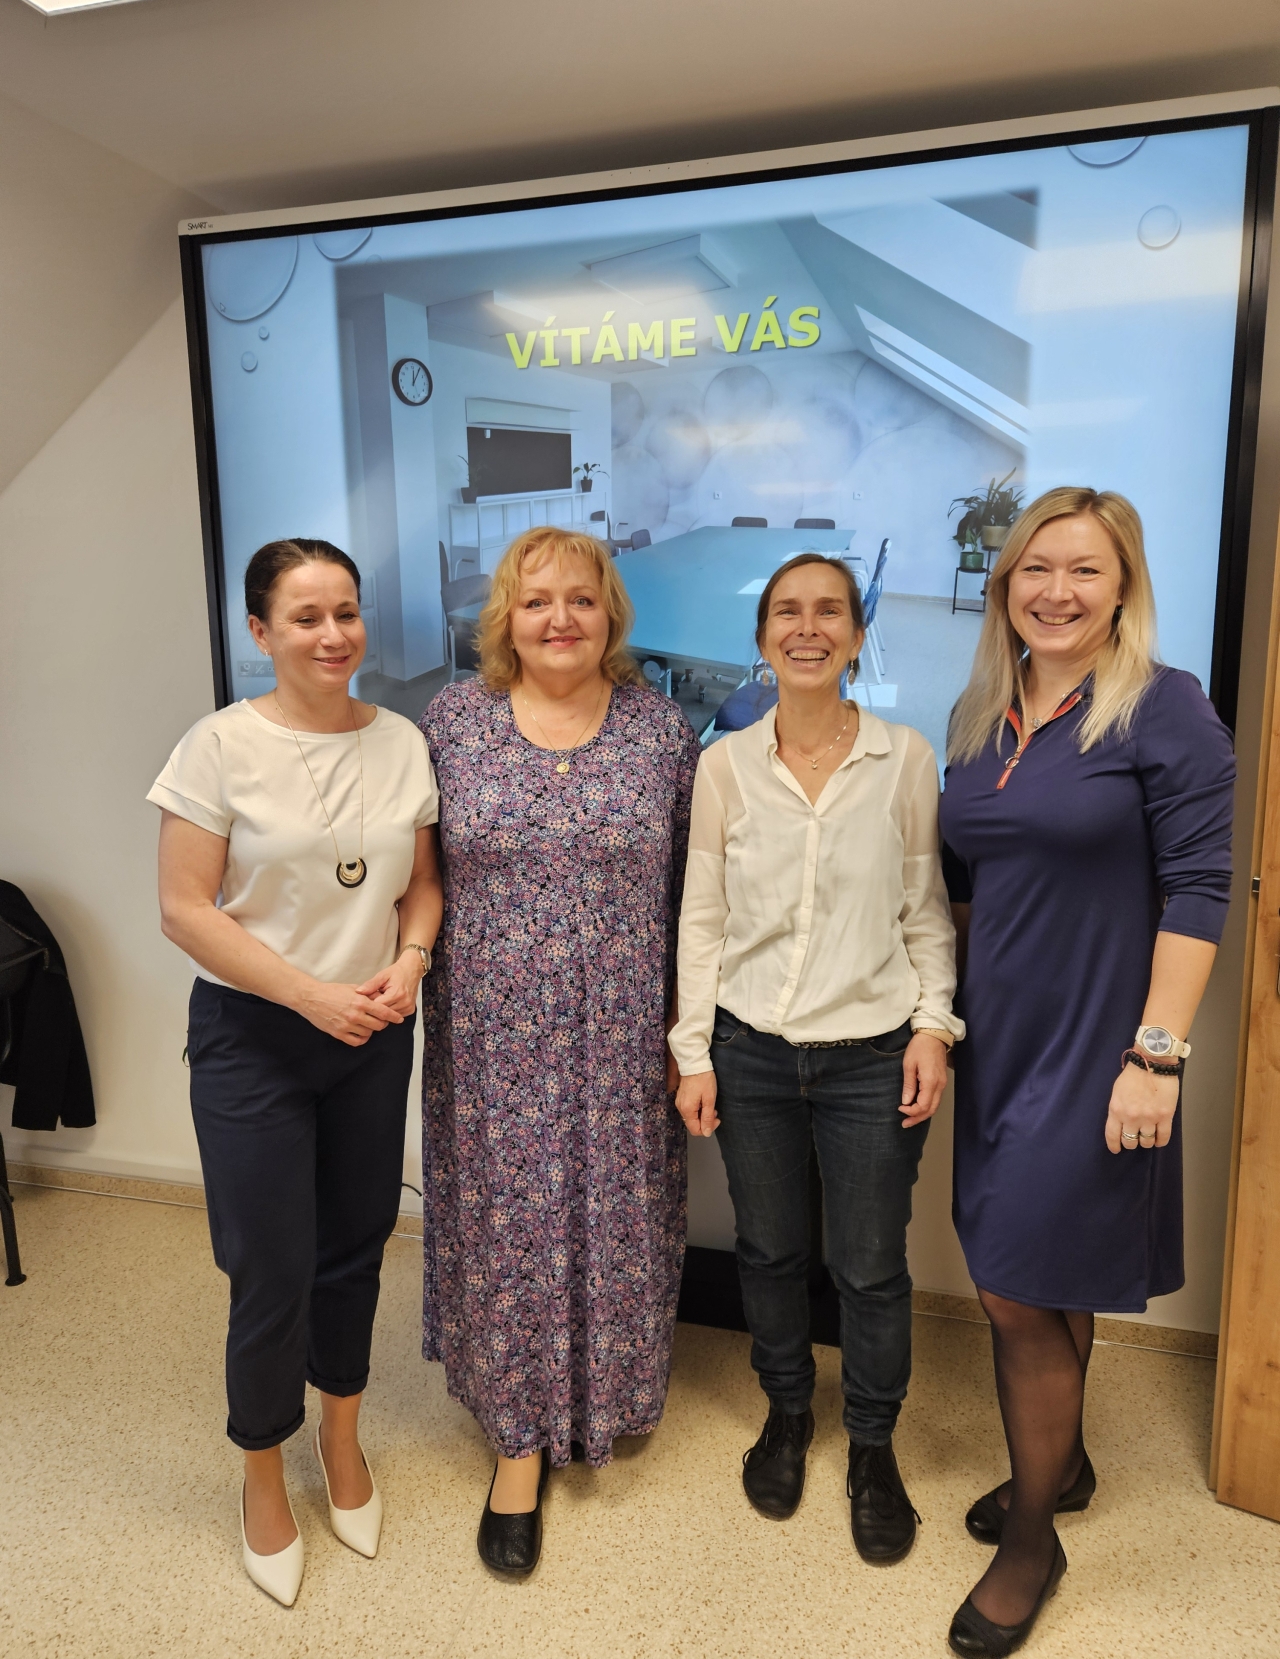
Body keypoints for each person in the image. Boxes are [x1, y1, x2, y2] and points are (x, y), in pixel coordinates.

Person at [939, 488, 1235, 1656]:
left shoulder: (1163, 707)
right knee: (1040, 1272)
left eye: (1083, 571)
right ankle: (1058, 1468)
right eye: (1033, 569)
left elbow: (1199, 889)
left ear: (1122, 589)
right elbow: (970, 887)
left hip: (1100, 1044)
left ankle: (1031, 1543)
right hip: (997, 1040)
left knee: (1014, 1291)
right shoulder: (981, 713)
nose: (1054, 592)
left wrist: (1153, 1059)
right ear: (1003, 583)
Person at [149, 538, 442, 1607]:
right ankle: (263, 1474)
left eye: (346, 612)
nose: (332, 634)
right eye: (306, 616)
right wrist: (310, 995)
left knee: (355, 1245)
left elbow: (420, 885)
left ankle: (341, 1437)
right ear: (260, 630)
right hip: (255, 1038)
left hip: (371, 1032)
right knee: (269, 1264)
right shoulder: (218, 746)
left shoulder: (402, 741)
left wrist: (411, 959)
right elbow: (184, 909)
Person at [419, 526, 701, 1578]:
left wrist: (686, 1034)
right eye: (536, 601)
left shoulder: (661, 733)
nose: (559, 619)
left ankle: (608, 1393)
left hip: (623, 1029)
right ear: (505, 616)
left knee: (616, 1218)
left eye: (580, 599)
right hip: (489, 1032)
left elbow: (694, 897)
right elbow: (417, 873)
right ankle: (518, 1442)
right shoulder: (452, 723)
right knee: (510, 1227)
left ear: (609, 613)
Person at [671, 553, 962, 1564]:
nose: (807, 628)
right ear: (761, 639)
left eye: (828, 611)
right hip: (748, 1051)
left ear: (855, 632)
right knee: (769, 1251)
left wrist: (932, 1025)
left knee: (870, 1265)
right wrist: (692, 1051)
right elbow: (700, 919)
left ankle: (872, 1446)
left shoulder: (903, 758)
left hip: (870, 1054)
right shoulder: (723, 767)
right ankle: (788, 1413)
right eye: (786, 613)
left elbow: (924, 908)